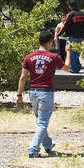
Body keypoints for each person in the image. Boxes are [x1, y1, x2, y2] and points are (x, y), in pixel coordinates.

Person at [16, 29, 64, 158]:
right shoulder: (54, 57)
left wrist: (19, 95)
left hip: (33, 91)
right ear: (49, 42)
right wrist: (69, 53)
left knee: (39, 120)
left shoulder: (29, 57)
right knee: (43, 123)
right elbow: (68, 67)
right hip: (46, 92)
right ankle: (33, 148)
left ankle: (48, 144)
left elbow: (23, 76)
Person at [64, 1, 84, 73]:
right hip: (81, 36)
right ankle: (78, 65)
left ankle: (75, 68)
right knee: (77, 51)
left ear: (70, 6)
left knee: (72, 52)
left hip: (73, 36)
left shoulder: (71, 14)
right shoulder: (83, 14)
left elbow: (66, 25)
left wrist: (59, 34)